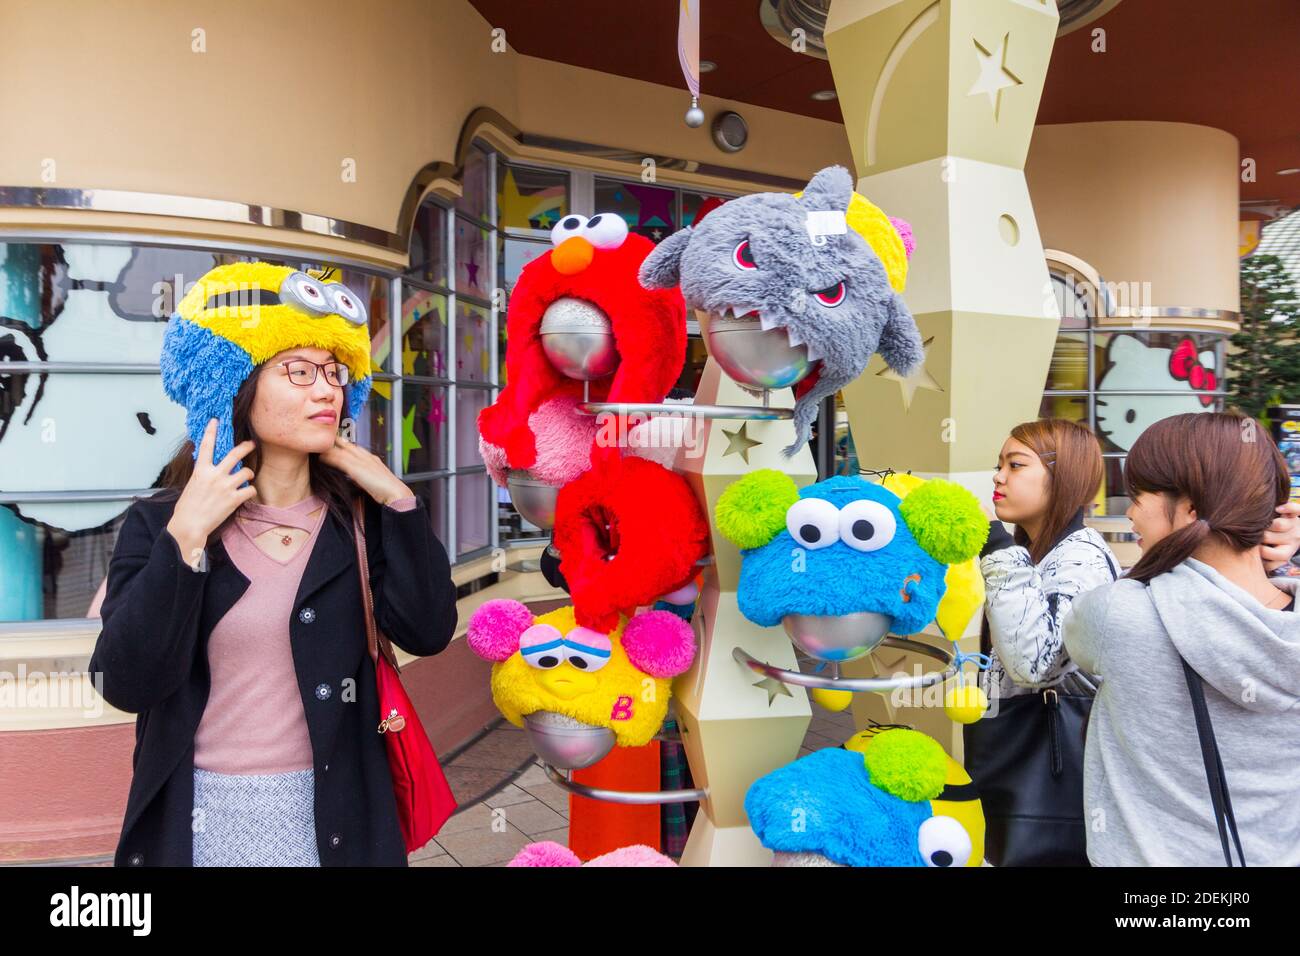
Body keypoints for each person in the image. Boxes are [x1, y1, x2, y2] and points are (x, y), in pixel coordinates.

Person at [90, 262, 457, 866]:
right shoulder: (163, 521)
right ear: (236, 383)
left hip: (337, 818)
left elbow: (428, 629)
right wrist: (185, 537)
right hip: (202, 821)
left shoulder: (359, 519)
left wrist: (398, 500)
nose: (326, 389)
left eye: (334, 372)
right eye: (299, 371)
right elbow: (125, 682)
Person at [1064, 412, 1300, 865]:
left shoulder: (1119, 612)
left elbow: (1067, 639)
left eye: (1139, 495)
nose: (1130, 511)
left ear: (1191, 508)